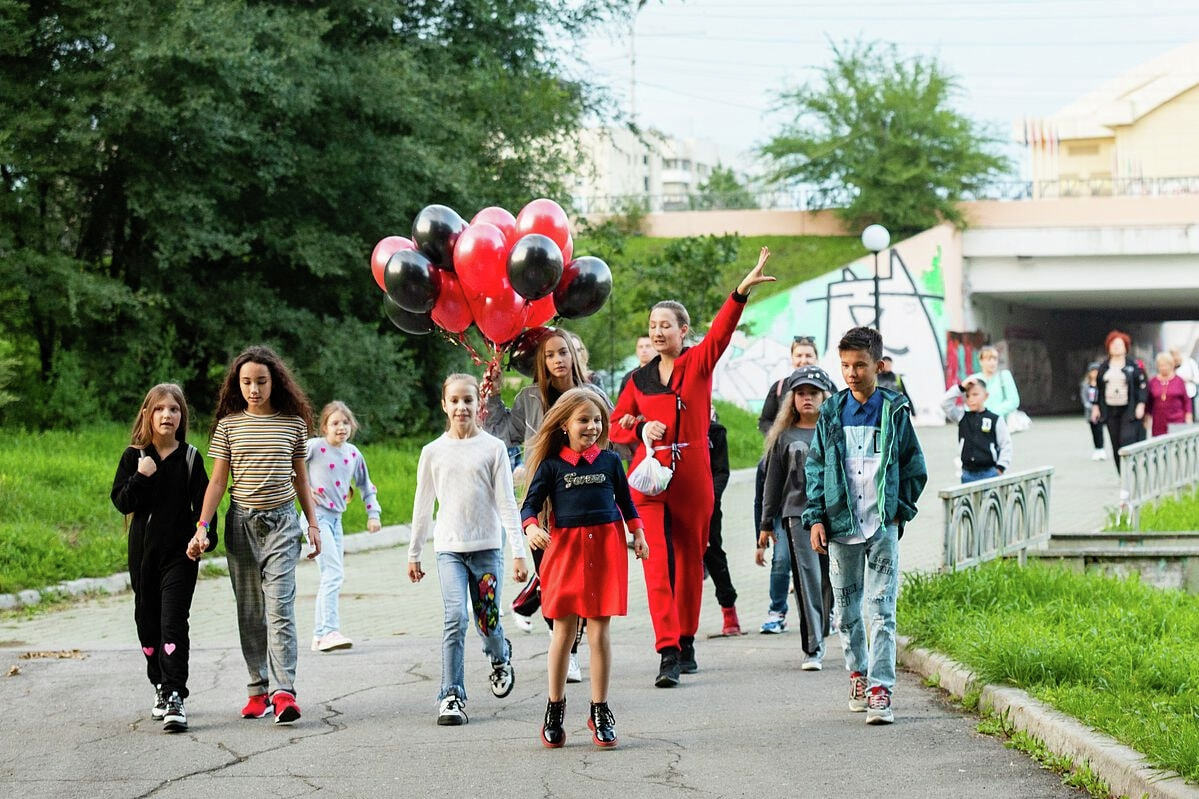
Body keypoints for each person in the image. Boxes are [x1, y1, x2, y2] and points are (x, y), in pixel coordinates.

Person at [610, 246, 775, 688]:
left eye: (666, 325)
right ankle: (667, 651)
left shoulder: (699, 364)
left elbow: (722, 332)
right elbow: (614, 428)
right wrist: (636, 426)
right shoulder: (636, 379)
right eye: (652, 325)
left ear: (683, 331)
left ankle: (686, 640)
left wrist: (740, 291)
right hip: (648, 479)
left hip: (693, 475)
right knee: (655, 564)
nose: (658, 331)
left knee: (689, 563)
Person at [190, 346, 321, 725]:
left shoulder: (292, 423)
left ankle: (284, 693)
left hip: (282, 524)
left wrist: (312, 525)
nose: (253, 389)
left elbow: (301, 479)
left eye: (261, 381)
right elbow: (217, 482)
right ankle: (257, 689)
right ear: (238, 384)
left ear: (274, 382)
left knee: (279, 608)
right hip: (240, 525)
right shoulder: (228, 426)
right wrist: (202, 526)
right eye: (246, 382)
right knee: (250, 611)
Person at [804, 326, 927, 725]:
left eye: (860, 365)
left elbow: (914, 467)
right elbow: (817, 466)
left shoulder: (895, 411)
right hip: (840, 526)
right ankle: (857, 675)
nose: (852, 373)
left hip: (881, 526)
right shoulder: (832, 411)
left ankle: (881, 689)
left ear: (879, 365)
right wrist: (816, 517)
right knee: (847, 610)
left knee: (881, 608)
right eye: (845, 365)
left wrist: (899, 510)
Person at [520, 388, 649, 748]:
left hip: (606, 549)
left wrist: (638, 535)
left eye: (596, 420)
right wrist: (531, 529)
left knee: (599, 632)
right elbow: (528, 508)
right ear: (564, 424)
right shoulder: (551, 466)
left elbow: (627, 503)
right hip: (565, 552)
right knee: (563, 631)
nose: (592, 427)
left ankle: (599, 709)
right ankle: (555, 708)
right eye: (583, 420)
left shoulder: (610, 462)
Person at [485, 330, 609, 680]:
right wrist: (491, 392)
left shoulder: (592, 395)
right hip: (542, 506)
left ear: (573, 356)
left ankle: (571, 646)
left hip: (584, 500)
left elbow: (610, 444)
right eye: (549, 354)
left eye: (562, 352)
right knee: (553, 578)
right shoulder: (528, 398)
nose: (557, 360)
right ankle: (562, 646)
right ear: (541, 362)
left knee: (583, 581)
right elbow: (502, 432)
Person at [409, 373, 529, 726]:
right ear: (444, 404)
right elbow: (422, 504)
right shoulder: (432, 452)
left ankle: (500, 655)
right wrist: (414, 552)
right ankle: (451, 695)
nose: (462, 407)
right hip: (449, 548)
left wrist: (518, 552)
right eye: (455, 400)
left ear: (480, 405)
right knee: (455, 618)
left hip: (488, 547)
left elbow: (507, 502)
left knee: (486, 620)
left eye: (468, 400)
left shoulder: (493, 448)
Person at [111, 383, 213, 733]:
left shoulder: (190, 457)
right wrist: (141, 476)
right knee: (147, 624)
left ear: (182, 417)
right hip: (143, 558)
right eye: (159, 409)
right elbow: (123, 502)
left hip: (181, 557)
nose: (167, 415)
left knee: (173, 623)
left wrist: (204, 537)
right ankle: (158, 683)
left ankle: (174, 695)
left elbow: (205, 507)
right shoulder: (134, 457)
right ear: (147, 415)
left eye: (174, 409)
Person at [759, 366, 835, 671]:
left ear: (824, 396)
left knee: (831, 579)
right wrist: (766, 524)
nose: (807, 399)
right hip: (797, 516)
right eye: (801, 393)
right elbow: (773, 482)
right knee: (808, 580)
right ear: (792, 398)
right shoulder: (784, 435)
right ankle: (813, 647)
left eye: (813, 393)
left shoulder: (836, 430)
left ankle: (826, 626)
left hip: (835, 516)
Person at [754, 335, 819, 635]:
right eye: (799, 355)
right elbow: (765, 420)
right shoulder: (780, 389)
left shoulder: (825, 398)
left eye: (808, 355)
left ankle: (825, 613)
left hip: (818, 506)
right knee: (781, 561)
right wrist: (782, 437)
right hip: (786, 501)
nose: (803, 360)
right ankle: (777, 610)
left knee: (822, 566)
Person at [306, 401, 382, 653]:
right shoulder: (315, 447)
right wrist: (303, 488)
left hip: (336, 520)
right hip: (314, 518)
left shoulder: (353, 454)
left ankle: (319, 636)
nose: (341, 427)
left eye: (345, 423)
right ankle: (328, 631)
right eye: (335, 423)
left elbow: (366, 486)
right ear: (324, 426)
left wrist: (373, 515)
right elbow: (289, 464)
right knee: (333, 573)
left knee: (332, 575)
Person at [704, 407, 740, 636]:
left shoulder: (715, 431)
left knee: (713, 553)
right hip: (676, 502)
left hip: (708, 504)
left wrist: (710, 499)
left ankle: (730, 613)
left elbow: (722, 472)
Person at [1093, 330, 1148, 475]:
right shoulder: (1103, 367)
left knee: (1126, 440)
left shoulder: (1134, 366)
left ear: (1126, 347)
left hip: (1128, 410)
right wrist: (1096, 406)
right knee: (1115, 442)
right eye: (1113, 344)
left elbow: (1142, 386)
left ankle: (1131, 471)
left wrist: (1141, 404)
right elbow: (1097, 388)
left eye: (1120, 344)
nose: (1116, 347)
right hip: (1110, 410)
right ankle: (1122, 475)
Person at [940, 377, 1013, 483]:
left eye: (975, 394)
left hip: (990, 473)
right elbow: (944, 403)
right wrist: (960, 388)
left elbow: (1006, 444)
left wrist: (1001, 467)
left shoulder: (995, 419)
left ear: (986, 396)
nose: (971, 399)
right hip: (967, 474)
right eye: (967, 396)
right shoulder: (962, 417)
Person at [972, 346, 1026, 431]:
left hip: (1001, 422)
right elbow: (969, 402)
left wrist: (991, 413)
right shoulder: (974, 379)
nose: (992, 362)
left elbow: (1014, 401)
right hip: (980, 424)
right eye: (989, 359)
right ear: (981, 361)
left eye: (995, 359)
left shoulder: (1004, 376)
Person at [1145, 352, 1193, 437]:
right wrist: (1147, 417)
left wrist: (1188, 415)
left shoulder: (1179, 381)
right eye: (1161, 365)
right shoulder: (1153, 382)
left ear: (1171, 365)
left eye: (1165, 365)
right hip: (1159, 421)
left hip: (1177, 421)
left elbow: (1187, 400)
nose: (1163, 368)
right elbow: (1149, 402)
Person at [1080, 363, 1106, 460]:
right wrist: (1092, 407)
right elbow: (1084, 399)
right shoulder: (1085, 385)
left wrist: (1099, 408)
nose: (1094, 374)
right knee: (1094, 431)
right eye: (1093, 371)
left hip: (1100, 412)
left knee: (1100, 430)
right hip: (1090, 412)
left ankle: (1101, 448)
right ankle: (1096, 449)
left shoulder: (1102, 384)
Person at [1171, 347, 1199, 417]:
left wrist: (1186, 379)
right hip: (1175, 397)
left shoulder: (1189, 362)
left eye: (1176, 354)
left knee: (1191, 416)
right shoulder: (1170, 366)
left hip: (1190, 394)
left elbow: (1197, 379)